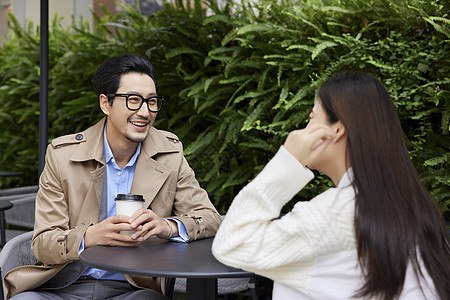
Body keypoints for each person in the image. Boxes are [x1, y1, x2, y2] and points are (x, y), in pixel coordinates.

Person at [212, 71, 449, 300]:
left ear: (336, 130)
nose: (301, 131)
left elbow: (232, 243)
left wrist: (288, 159)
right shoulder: (417, 206)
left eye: (311, 119)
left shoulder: (335, 214)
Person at [3, 54, 223, 299]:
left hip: (132, 288)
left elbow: (211, 218)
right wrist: (88, 237)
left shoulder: (169, 153)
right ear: (105, 103)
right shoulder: (62, 156)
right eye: (133, 100)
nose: (145, 112)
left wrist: (169, 226)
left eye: (152, 102)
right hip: (62, 286)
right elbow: (43, 243)